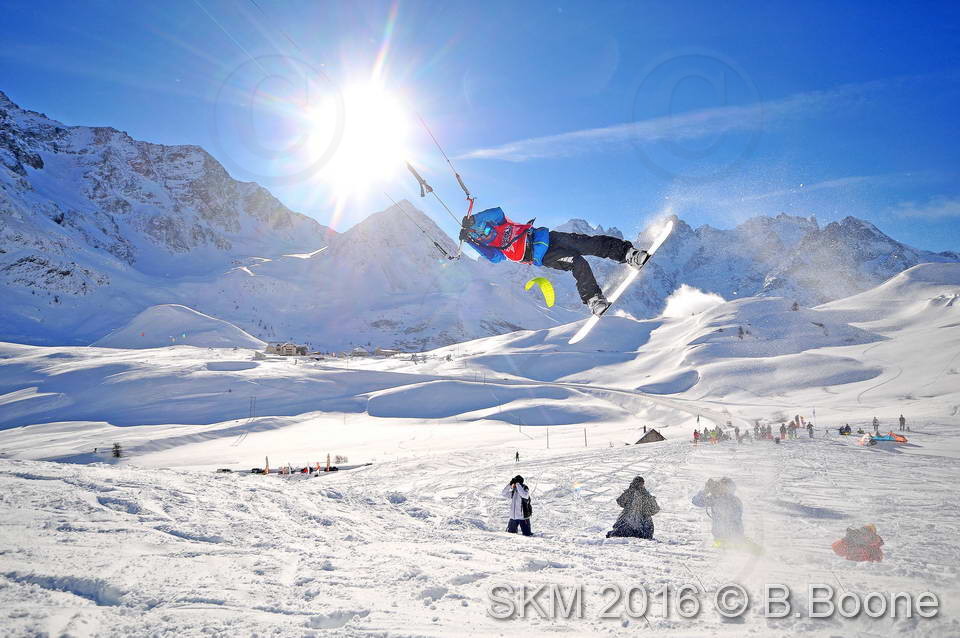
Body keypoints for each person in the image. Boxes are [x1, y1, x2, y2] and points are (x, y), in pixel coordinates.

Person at [460, 208, 650, 315]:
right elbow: (492, 257)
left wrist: (474, 219)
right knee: (578, 263)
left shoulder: (501, 224)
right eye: (483, 235)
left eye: (485, 229)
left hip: (551, 238)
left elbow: (497, 213)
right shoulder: (496, 249)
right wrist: (470, 241)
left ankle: (629, 254)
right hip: (545, 256)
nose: (488, 233)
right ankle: (594, 300)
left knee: (589, 244)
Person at [691, 477, 744, 543]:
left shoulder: (733, 500)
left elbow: (734, 518)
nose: (718, 488)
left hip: (734, 537)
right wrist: (705, 491)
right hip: (719, 538)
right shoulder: (715, 498)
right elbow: (696, 501)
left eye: (721, 486)